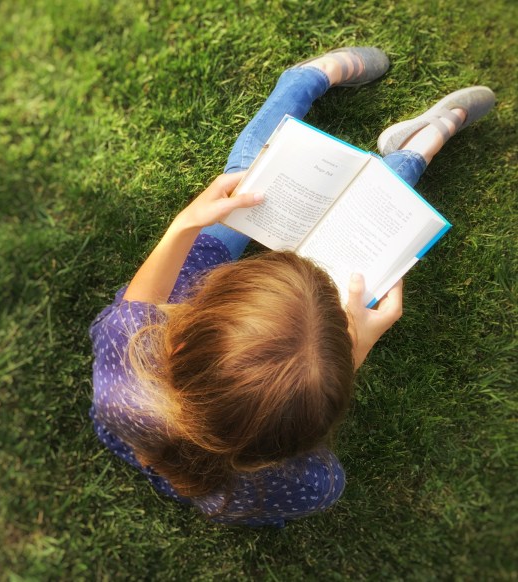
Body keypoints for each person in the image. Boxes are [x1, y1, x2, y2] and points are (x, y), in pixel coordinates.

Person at [89, 47, 496, 527]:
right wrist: (352, 350)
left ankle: (311, 80)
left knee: (248, 185)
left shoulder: (127, 368)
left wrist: (184, 227)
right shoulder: (313, 487)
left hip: (149, 415)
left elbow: (138, 305)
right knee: (365, 225)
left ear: (176, 340)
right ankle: (421, 145)